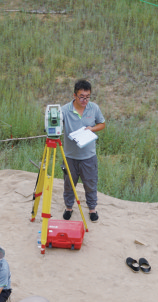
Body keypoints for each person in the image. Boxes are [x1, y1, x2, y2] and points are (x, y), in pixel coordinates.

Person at [60, 79, 106, 223]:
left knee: (90, 183)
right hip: (70, 156)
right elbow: (57, 126)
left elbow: (102, 124)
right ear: (74, 95)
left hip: (88, 156)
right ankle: (68, 208)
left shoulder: (94, 108)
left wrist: (92, 128)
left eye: (87, 97)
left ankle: (92, 209)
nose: (85, 100)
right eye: (81, 96)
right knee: (69, 184)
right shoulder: (64, 110)